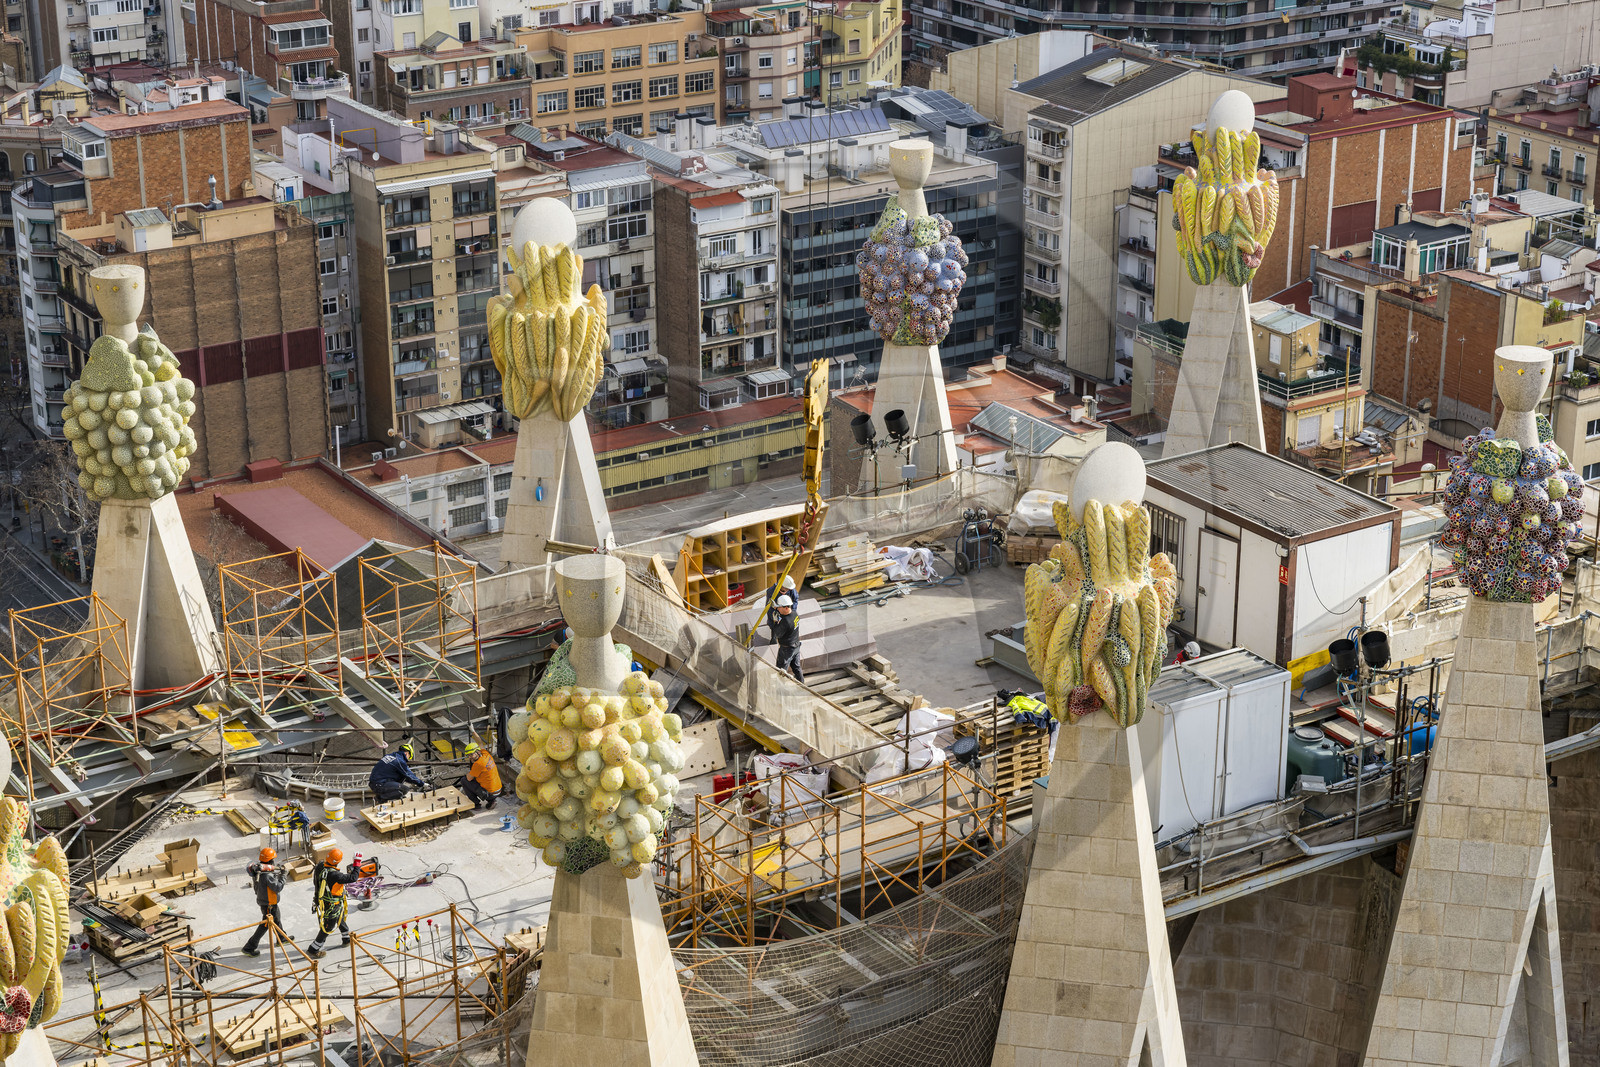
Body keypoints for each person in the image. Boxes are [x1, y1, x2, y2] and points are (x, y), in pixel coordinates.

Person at [306, 849, 379, 959]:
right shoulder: (335, 875)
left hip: (325, 900)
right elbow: (352, 878)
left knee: (339, 918)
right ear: (337, 861)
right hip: (332, 903)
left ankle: (346, 939)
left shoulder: (320, 866)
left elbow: (316, 882)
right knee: (329, 926)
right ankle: (314, 949)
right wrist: (357, 863)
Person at [242, 847, 289, 957]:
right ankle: (249, 947)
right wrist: (283, 876)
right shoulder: (267, 875)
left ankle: (281, 938)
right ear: (271, 861)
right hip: (269, 904)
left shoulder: (258, 871)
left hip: (265, 902)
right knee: (265, 925)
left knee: (276, 918)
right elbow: (278, 887)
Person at [770, 594, 804, 683]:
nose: (777, 609)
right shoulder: (794, 613)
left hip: (786, 650)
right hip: (796, 646)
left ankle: (780, 688)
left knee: (781, 670)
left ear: (785, 608)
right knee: (796, 667)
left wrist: (776, 622)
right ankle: (802, 684)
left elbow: (777, 634)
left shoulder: (785, 622)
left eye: (779, 607)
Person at [458, 741, 502, 810]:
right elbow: (480, 743)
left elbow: (469, 778)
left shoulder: (478, 764)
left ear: (478, 752)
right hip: (498, 790)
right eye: (468, 755)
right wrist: (473, 731)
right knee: (478, 777)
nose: (470, 757)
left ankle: (476, 804)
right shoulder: (486, 754)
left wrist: (470, 773)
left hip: (490, 793)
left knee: (464, 780)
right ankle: (492, 801)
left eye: (471, 755)